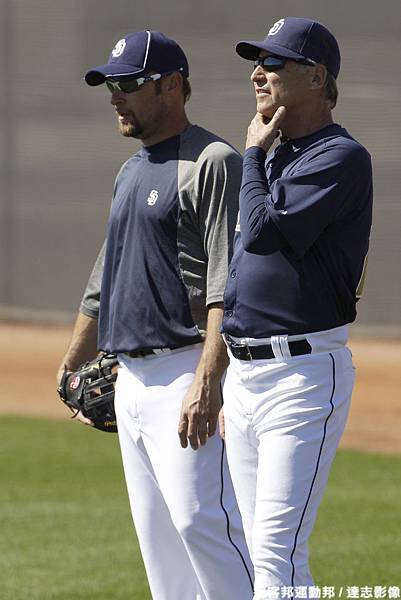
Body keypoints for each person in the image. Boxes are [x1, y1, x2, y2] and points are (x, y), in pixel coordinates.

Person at [57, 30, 253, 600]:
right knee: (160, 548)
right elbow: (105, 278)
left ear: (172, 86)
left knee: (206, 528)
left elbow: (226, 283)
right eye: (110, 85)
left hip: (185, 371)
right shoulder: (131, 171)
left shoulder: (212, 161)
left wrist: (207, 381)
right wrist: (72, 361)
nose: (115, 96)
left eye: (128, 84)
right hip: (131, 380)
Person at [220, 17, 373, 599]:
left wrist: (253, 153)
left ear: (317, 76)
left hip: (302, 378)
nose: (259, 73)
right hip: (247, 375)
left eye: (275, 63)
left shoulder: (340, 157)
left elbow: (260, 233)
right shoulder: (280, 156)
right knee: (266, 558)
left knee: (275, 557)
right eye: (258, 63)